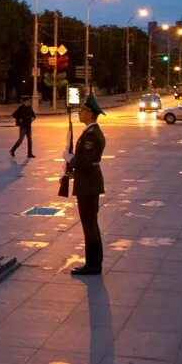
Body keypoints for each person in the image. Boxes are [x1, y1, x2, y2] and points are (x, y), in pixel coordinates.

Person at [66, 94, 106, 276]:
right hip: (88, 182)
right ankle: (93, 263)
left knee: (89, 224)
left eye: (82, 110)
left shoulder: (92, 135)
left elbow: (86, 160)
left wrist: (70, 159)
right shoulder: (91, 132)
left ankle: (93, 265)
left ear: (90, 113)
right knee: (90, 224)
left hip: (89, 185)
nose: (79, 113)